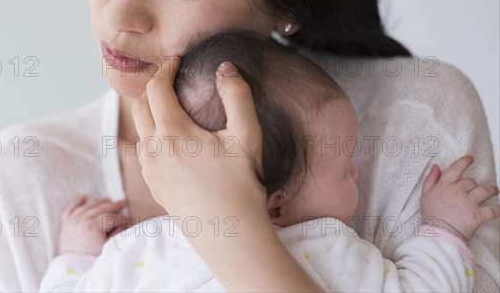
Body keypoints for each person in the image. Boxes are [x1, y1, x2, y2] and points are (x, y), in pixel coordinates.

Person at [0, 0, 500, 291]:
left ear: (290, 1)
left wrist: (226, 225)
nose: (118, 13)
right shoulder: (25, 174)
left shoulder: (417, 118)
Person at [38, 31, 500, 292]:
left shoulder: (138, 251)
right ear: (276, 204)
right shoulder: (328, 251)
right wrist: (443, 231)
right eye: (344, 166)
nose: (356, 169)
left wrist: (74, 258)